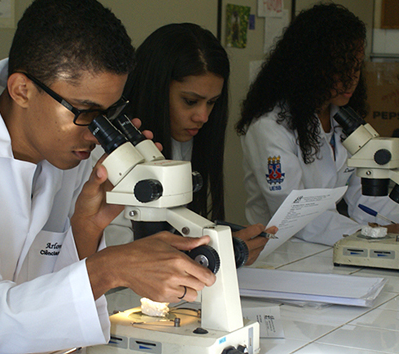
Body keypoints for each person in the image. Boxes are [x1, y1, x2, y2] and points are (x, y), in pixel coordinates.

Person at [0, 0, 217, 354]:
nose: (94, 132)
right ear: (22, 90)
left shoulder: (68, 152)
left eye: (109, 112)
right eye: (85, 111)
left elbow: (42, 303)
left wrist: (85, 231)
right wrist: (108, 268)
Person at [236, 1, 399, 246]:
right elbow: (297, 219)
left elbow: (364, 197)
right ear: (309, 66)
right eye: (340, 69)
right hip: (280, 251)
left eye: (356, 67)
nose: (351, 79)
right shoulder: (270, 127)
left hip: (326, 247)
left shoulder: (340, 119)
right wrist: (382, 232)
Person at [102, 23, 276, 264]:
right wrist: (219, 254)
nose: (203, 116)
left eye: (212, 102)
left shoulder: (184, 139)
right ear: (156, 89)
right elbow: (117, 253)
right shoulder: (111, 155)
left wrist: (222, 242)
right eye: (190, 101)